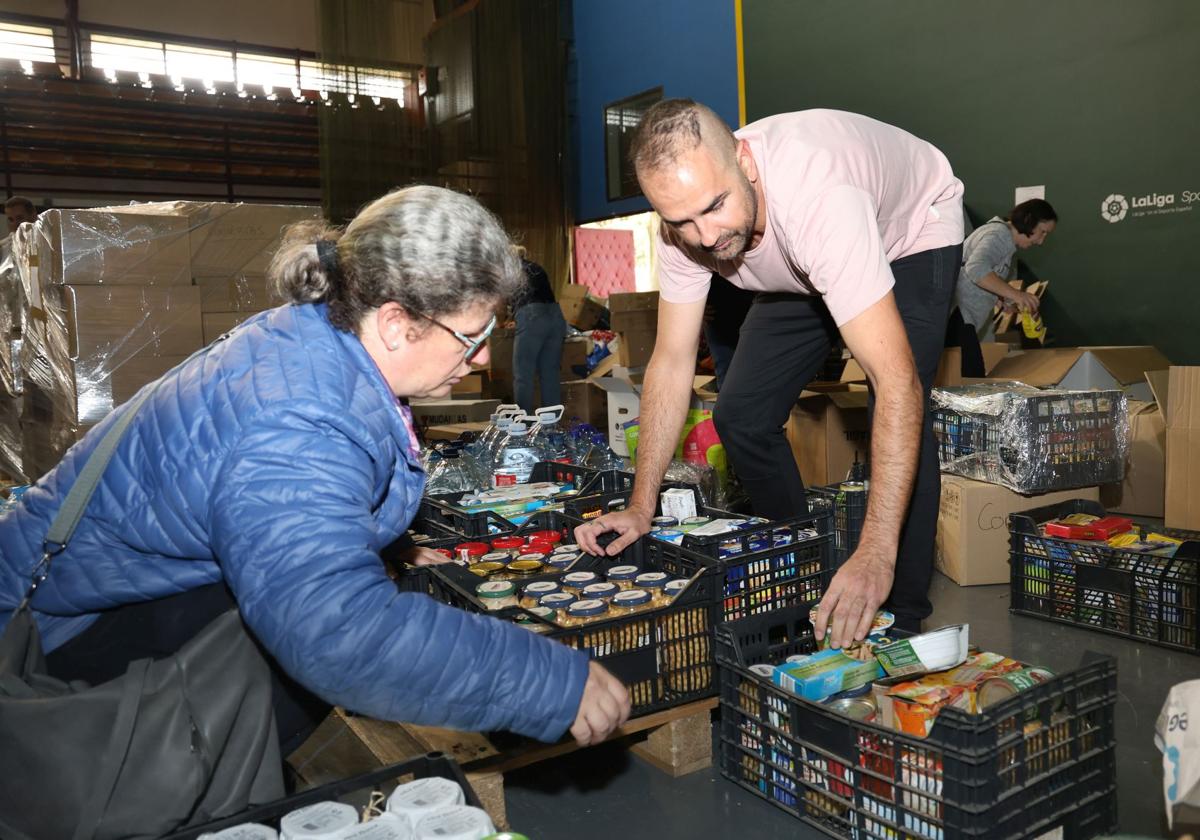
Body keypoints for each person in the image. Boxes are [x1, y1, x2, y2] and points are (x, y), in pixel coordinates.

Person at [0, 185, 630, 757]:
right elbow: (333, 629)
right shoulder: (300, 423)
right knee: (281, 676)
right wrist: (546, 680)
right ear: (393, 323)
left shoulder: (312, 335)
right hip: (58, 645)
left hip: (104, 596)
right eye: (471, 337)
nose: (484, 355)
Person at [575, 100, 965, 649]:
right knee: (741, 415)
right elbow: (671, 360)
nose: (706, 237)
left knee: (897, 404)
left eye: (715, 207)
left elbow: (896, 381)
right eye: (682, 221)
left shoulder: (819, 197)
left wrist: (875, 549)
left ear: (746, 161)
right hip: (804, 261)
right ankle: (804, 569)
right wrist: (643, 504)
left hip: (911, 230)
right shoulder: (686, 226)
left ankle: (897, 608)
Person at [946, 199, 1057, 376]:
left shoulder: (1003, 238)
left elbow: (979, 273)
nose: (1041, 241)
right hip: (958, 316)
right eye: (1042, 232)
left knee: (967, 379)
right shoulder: (1000, 236)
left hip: (961, 317)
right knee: (972, 381)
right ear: (1029, 221)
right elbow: (976, 268)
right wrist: (1017, 295)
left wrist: (999, 298)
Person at [511, 252, 567, 413]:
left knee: (523, 376)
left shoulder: (511, 269)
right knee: (550, 374)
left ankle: (522, 426)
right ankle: (551, 425)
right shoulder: (536, 267)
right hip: (555, 315)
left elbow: (501, 299)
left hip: (531, 316)